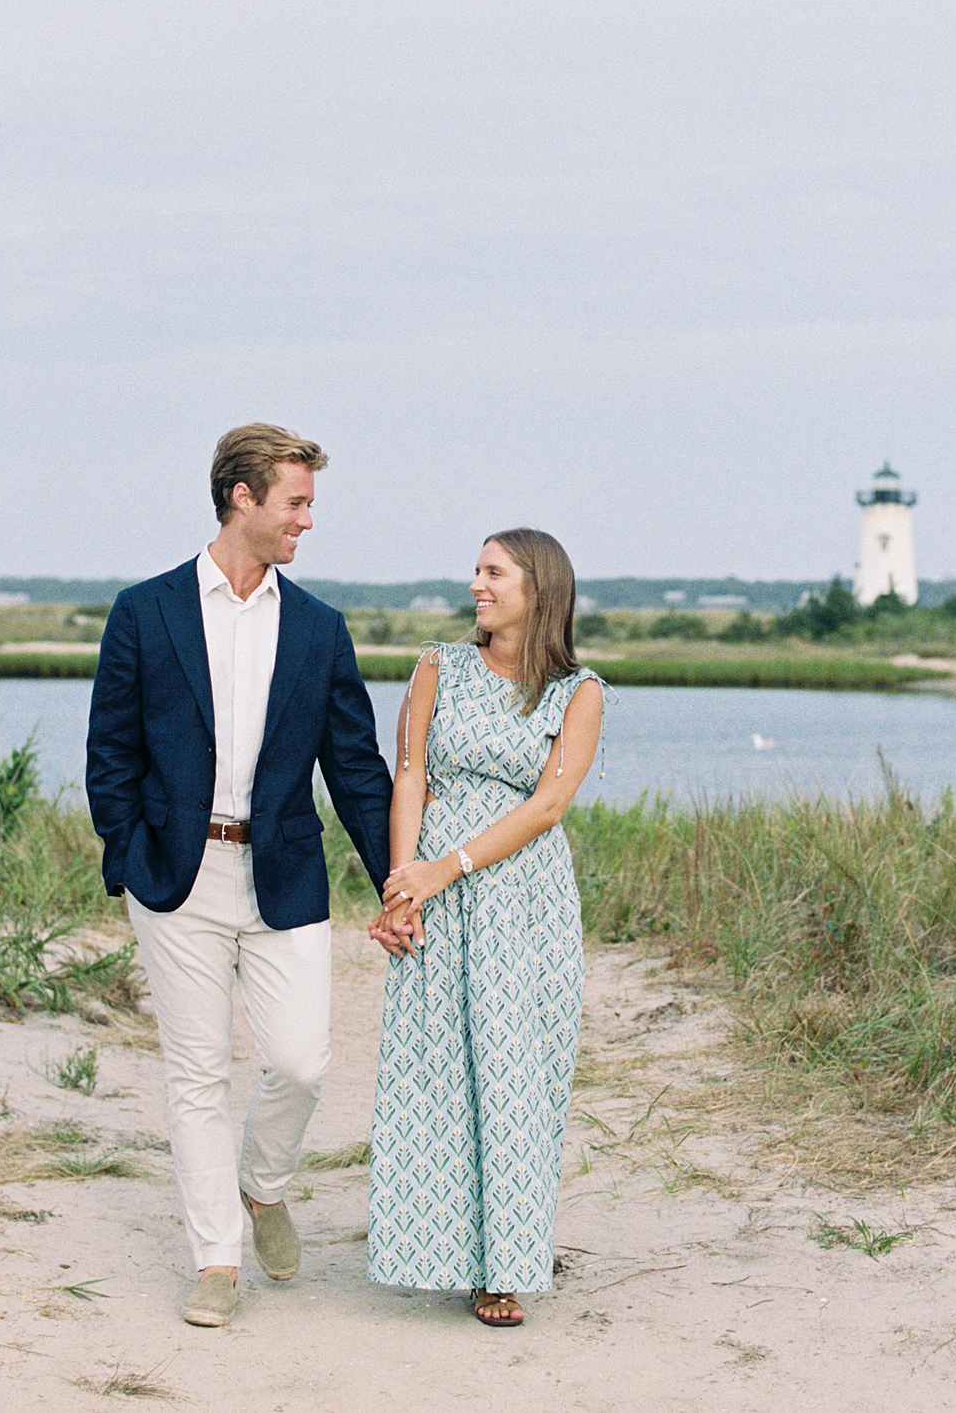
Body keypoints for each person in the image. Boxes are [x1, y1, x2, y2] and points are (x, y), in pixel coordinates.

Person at [85, 423, 393, 1327]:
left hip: (284, 873)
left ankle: (264, 1185)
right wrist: (129, 860)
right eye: (296, 502)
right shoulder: (145, 612)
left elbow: (357, 769)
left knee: (300, 1062)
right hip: (175, 877)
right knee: (196, 1071)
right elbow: (110, 752)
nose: (308, 520)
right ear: (242, 497)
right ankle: (216, 1259)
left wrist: (395, 881)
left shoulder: (321, 630)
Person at [366, 528, 603, 1328]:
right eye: (476, 570)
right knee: (437, 1065)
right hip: (435, 886)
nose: (477, 584)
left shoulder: (579, 693)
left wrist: (450, 866)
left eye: (494, 572)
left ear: (538, 588)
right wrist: (406, 885)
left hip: (522, 900)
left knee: (513, 1073)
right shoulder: (438, 664)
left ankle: (504, 1267)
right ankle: (434, 1251)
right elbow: (411, 773)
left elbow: (546, 806)